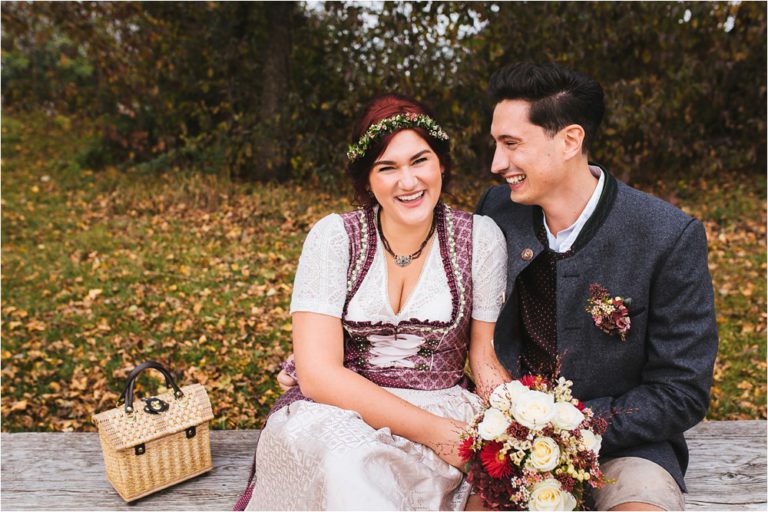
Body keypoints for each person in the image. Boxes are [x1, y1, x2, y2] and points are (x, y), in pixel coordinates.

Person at [235, 93, 510, 511]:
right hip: (340, 409)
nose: (408, 182)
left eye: (420, 161)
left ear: (442, 164)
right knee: (350, 464)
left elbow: (484, 359)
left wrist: (523, 425)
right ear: (367, 180)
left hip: (445, 402)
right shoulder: (333, 238)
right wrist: (435, 433)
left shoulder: (481, 238)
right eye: (387, 168)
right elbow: (318, 375)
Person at [477, 61, 718, 510]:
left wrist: (573, 425)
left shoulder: (667, 235)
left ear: (570, 140)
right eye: (496, 143)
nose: (497, 164)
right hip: (508, 447)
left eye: (511, 144)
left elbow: (682, 390)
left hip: (628, 447)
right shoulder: (495, 212)